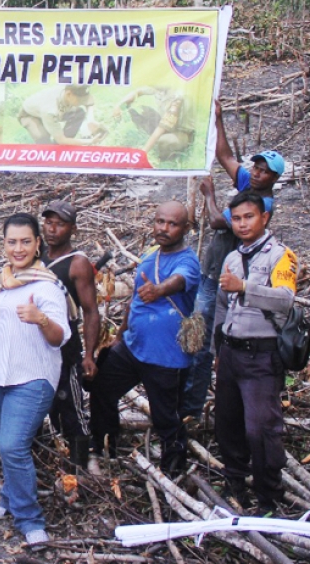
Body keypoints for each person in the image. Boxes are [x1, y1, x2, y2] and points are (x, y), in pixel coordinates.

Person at [0, 213, 71, 550]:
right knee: (5, 442)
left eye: (26, 241)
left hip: (32, 378)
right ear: (3, 244)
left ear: (38, 243)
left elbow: (59, 338)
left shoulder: (47, 286)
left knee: (12, 445)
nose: (18, 248)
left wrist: (40, 318)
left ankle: (30, 521)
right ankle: (9, 499)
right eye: (12, 242)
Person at [184, 100, 285, 420]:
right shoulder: (249, 184)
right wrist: (218, 120)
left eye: (263, 170)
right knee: (198, 335)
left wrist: (209, 195)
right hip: (214, 270)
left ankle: (192, 406)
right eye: (255, 167)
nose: (256, 172)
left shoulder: (261, 200)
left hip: (222, 279)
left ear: (273, 178)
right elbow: (225, 156)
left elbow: (216, 222)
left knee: (201, 341)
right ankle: (193, 400)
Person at [89, 201, 200, 476]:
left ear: (185, 228)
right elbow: (134, 300)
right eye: (160, 222)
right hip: (132, 347)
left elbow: (180, 280)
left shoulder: (188, 260)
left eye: (172, 224)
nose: (164, 228)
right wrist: (120, 335)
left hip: (166, 356)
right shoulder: (151, 256)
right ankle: (106, 447)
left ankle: (173, 472)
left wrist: (160, 290)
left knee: (167, 416)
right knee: (102, 387)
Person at [214, 191, 297, 516]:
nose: (242, 224)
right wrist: (218, 348)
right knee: (228, 424)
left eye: (249, 217)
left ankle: (268, 497)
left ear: (264, 218)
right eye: (236, 218)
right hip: (231, 354)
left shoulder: (281, 256)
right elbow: (222, 306)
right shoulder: (232, 258)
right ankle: (234, 483)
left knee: (260, 430)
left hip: (262, 356)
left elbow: (286, 300)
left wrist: (246, 287)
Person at [40, 200, 99, 468]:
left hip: (66, 347)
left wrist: (89, 355)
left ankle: (80, 470)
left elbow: (90, 311)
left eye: (59, 224)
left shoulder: (77, 264)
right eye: (48, 223)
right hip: (37, 346)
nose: (52, 229)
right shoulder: (34, 255)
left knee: (72, 408)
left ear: (72, 229)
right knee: (45, 404)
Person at [116, 86, 192, 161]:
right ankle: (151, 144)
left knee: (166, 140)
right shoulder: (160, 87)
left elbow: (163, 126)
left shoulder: (179, 96)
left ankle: (162, 159)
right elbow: (138, 91)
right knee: (141, 110)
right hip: (165, 124)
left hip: (182, 132)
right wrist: (118, 106)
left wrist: (143, 152)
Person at [18, 85, 107, 146]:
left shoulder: (72, 89)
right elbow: (62, 140)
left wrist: (90, 120)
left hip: (54, 108)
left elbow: (89, 101)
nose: (82, 102)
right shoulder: (50, 109)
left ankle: (61, 148)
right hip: (30, 115)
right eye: (80, 100)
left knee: (79, 113)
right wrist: (89, 142)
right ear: (68, 94)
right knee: (44, 142)